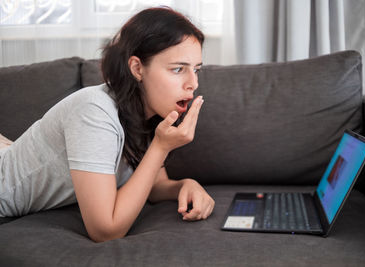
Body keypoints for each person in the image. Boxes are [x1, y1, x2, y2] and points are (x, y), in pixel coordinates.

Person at [0, 7, 215, 242]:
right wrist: (161, 146)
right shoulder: (94, 111)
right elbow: (105, 230)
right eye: (178, 69)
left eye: (196, 70)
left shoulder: (149, 113)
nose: (193, 83)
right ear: (137, 68)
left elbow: (154, 186)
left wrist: (185, 185)